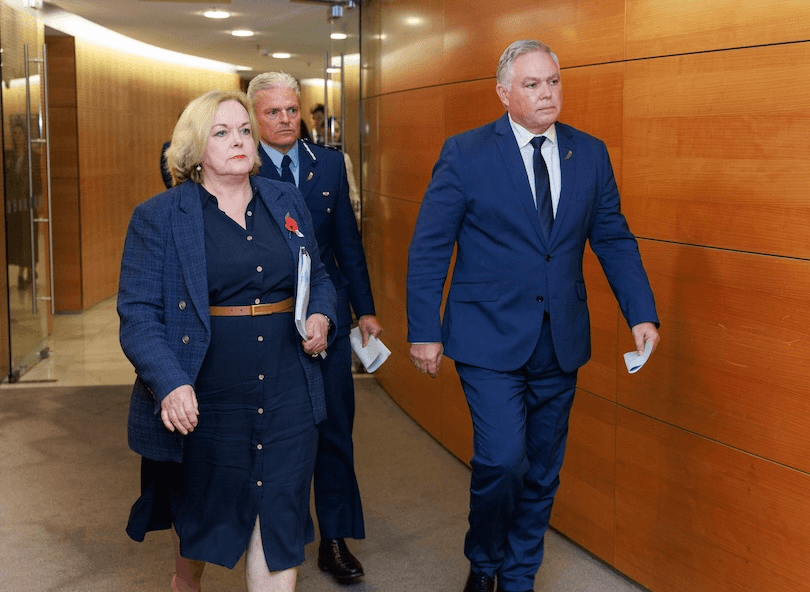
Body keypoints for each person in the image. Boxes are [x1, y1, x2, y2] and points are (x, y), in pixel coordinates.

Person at [406, 40, 660, 592]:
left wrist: (641, 312)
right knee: (501, 461)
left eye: (553, 81)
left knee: (543, 470)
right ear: (503, 93)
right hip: (486, 337)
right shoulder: (465, 153)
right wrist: (423, 329)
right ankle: (484, 563)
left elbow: (613, 238)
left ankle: (519, 576)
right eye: (532, 84)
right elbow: (430, 246)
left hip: (559, 340)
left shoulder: (589, 153)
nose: (547, 93)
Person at [118, 89, 336, 592]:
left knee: (278, 514)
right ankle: (185, 580)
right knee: (200, 511)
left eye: (243, 131)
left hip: (288, 385)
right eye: (221, 133)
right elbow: (139, 315)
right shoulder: (160, 216)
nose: (238, 141)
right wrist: (170, 383)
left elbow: (318, 274)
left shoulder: (285, 199)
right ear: (195, 148)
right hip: (206, 389)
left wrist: (321, 313)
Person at [247, 71, 381, 585]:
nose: (286, 120)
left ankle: (334, 539)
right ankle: (274, 538)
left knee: (335, 430)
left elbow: (347, 241)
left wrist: (364, 309)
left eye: (292, 110)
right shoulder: (243, 165)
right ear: (255, 116)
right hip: (268, 322)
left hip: (329, 316)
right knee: (276, 435)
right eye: (273, 112)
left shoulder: (327, 164)